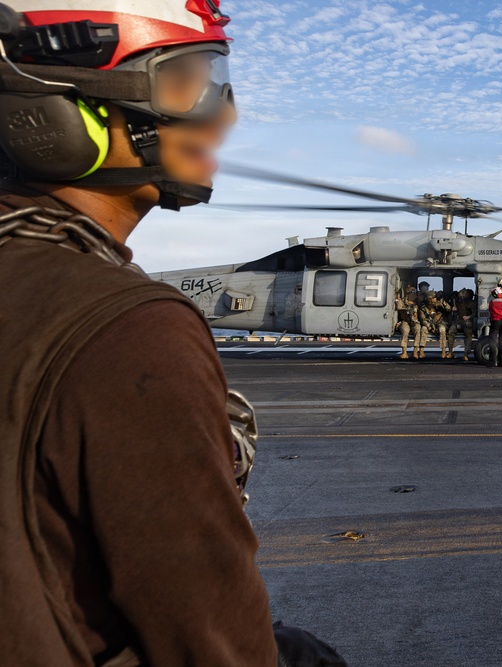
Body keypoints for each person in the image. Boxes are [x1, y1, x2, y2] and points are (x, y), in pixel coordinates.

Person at [0, 2, 345, 665]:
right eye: (186, 81)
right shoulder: (133, 331)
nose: (224, 115)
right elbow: (218, 643)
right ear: (61, 107)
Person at [419, 291, 450, 359]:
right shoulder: (423, 308)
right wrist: (429, 327)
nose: (435, 299)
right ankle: (421, 351)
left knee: (442, 329)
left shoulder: (439, 305)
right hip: (429, 324)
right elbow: (423, 320)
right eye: (434, 298)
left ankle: (443, 350)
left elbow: (449, 309)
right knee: (423, 329)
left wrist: (444, 304)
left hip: (439, 323)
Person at [449, 288, 477, 361]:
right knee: (451, 332)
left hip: (466, 321)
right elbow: (452, 314)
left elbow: (475, 313)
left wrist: (469, 316)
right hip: (458, 320)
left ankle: (466, 353)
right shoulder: (457, 303)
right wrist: (453, 310)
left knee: (468, 334)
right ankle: (450, 352)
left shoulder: (471, 303)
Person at [487, 285, 502, 368]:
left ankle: (492, 361)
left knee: (493, 341)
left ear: (494, 294)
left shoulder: (492, 302)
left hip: (495, 322)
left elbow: (490, 311)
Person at [394, 286, 421, 360]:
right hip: (405, 321)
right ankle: (404, 352)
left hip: (414, 321)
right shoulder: (402, 301)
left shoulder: (417, 303)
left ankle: (415, 351)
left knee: (418, 329)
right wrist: (398, 300)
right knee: (405, 331)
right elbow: (399, 308)